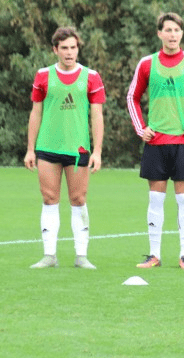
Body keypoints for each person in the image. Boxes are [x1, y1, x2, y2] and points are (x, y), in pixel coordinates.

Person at [127, 12, 184, 270]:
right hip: (155, 143)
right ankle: (154, 255)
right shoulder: (147, 64)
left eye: (176, 30)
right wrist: (140, 128)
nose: (172, 35)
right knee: (155, 200)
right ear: (159, 34)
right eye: (167, 30)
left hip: (183, 143)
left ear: (182, 34)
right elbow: (132, 96)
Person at [24, 27, 105, 270]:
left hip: (78, 150)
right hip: (47, 147)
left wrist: (97, 150)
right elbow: (36, 112)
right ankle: (49, 255)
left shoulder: (91, 76)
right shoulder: (43, 75)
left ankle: (81, 255)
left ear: (78, 49)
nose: (70, 53)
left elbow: (97, 115)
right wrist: (30, 149)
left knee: (78, 199)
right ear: (55, 50)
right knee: (49, 198)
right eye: (65, 48)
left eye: (73, 47)